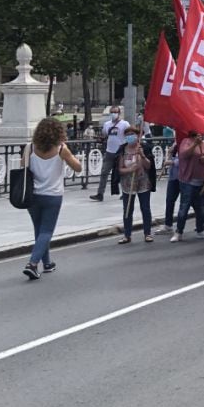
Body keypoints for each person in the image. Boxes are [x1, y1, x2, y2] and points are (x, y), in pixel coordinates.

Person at [22, 117, 83, 279]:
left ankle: (47, 263)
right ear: (58, 132)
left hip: (32, 195)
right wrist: (68, 153)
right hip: (52, 195)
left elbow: (23, 168)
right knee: (47, 231)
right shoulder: (61, 149)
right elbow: (78, 168)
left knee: (39, 230)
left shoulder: (29, 148)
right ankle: (33, 264)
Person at [171, 130, 204, 242]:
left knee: (201, 207)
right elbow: (183, 155)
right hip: (188, 181)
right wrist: (194, 144)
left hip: (202, 180)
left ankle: (200, 230)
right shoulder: (186, 141)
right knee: (184, 207)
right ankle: (179, 232)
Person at [117, 129, 156, 243]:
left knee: (145, 208)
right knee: (128, 209)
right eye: (127, 135)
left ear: (138, 136)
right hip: (128, 184)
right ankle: (127, 234)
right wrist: (130, 169)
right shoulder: (122, 150)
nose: (130, 137)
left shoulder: (144, 148)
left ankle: (147, 233)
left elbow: (149, 166)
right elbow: (119, 169)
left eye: (132, 134)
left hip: (143, 182)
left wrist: (142, 155)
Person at [90, 105, 129, 201]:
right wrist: (100, 139)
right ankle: (100, 194)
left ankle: (126, 192)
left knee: (122, 173)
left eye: (115, 112)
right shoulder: (107, 124)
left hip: (120, 152)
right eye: (112, 112)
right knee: (104, 172)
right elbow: (106, 135)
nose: (114, 114)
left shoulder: (124, 124)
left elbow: (130, 134)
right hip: (109, 152)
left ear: (119, 113)